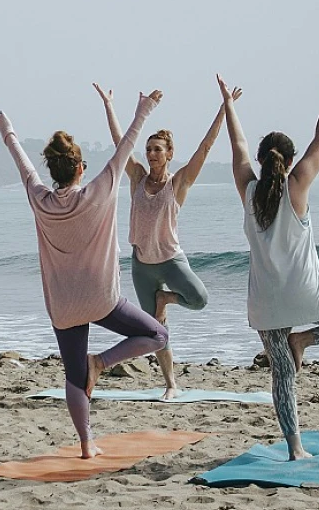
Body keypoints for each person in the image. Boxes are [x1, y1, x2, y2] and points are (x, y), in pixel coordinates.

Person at [0, 91, 168, 458]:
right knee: (158, 335)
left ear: (54, 172)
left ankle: (87, 446)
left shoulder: (39, 199)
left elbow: (23, 165)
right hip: (101, 299)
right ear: (80, 168)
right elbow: (126, 148)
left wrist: (7, 130)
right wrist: (144, 109)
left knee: (73, 376)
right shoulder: (98, 193)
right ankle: (100, 362)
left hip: (64, 306)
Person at [218, 62, 319, 459]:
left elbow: (237, 148)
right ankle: (306, 338)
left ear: (263, 159)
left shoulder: (248, 190)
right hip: (308, 296)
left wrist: (228, 106)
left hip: (266, 303)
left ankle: (295, 449)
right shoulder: (298, 184)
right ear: (288, 161)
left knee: (283, 375)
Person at [93, 83, 242, 399]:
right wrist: (109, 104)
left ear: (170, 153)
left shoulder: (180, 182)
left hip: (172, 260)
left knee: (199, 299)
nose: (150, 154)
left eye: (157, 149)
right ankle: (171, 384)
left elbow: (206, 147)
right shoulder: (135, 177)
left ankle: (167, 299)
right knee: (157, 333)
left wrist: (223, 108)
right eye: (148, 149)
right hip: (142, 265)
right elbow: (121, 143)